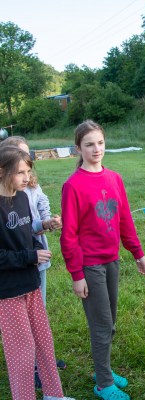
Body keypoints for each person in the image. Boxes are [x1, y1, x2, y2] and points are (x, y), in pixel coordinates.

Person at [60, 120, 145, 400]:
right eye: (89, 144)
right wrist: (77, 275)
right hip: (90, 265)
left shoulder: (114, 179)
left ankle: (103, 370)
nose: (96, 149)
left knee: (109, 322)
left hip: (112, 260)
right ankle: (103, 383)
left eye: (100, 143)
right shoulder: (73, 186)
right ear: (78, 148)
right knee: (101, 325)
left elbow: (124, 219)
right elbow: (68, 236)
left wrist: (137, 252)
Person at [0, 145, 74, 400]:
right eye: (20, 172)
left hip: (31, 282)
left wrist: (37, 245)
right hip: (8, 292)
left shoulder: (22, 197)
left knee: (44, 342)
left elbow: (25, 234)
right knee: (22, 352)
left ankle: (54, 395)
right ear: (1, 172)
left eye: (28, 171)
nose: (27, 178)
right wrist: (31, 256)